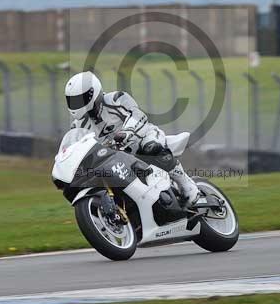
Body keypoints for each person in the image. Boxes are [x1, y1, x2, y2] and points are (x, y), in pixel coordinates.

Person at [64, 71, 204, 207]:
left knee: (151, 147)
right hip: (116, 158)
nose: (76, 104)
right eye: (72, 101)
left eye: (79, 100)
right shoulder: (77, 126)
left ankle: (187, 185)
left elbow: (138, 115)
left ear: (92, 94)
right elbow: (76, 148)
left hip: (142, 137)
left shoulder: (116, 99)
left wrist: (126, 132)